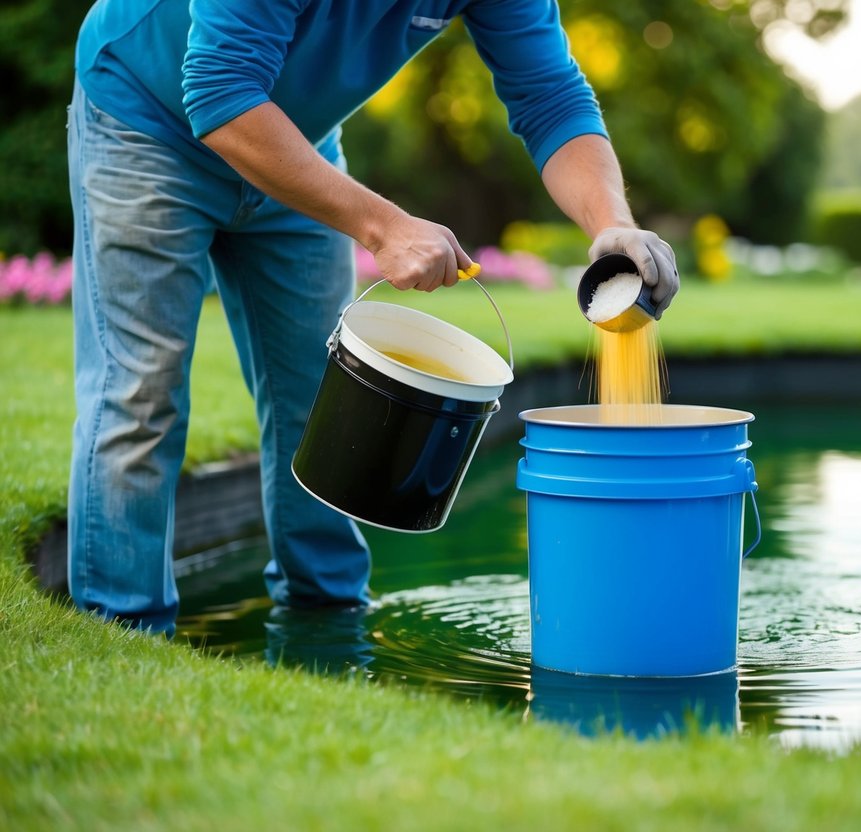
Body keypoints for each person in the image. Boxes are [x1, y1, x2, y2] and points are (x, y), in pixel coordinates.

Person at [68, 0, 680, 635]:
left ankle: (328, 623)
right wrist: (384, 226)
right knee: (142, 391)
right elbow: (220, 87)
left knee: (325, 391)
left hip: (293, 140)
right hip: (146, 121)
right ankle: (123, 630)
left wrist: (611, 223)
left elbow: (550, 96)